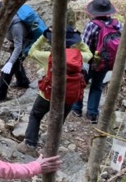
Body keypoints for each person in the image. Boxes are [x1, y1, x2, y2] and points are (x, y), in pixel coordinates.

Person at [17, 14, 92, 156]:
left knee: (35, 115)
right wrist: (79, 40)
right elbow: (90, 53)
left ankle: (29, 144)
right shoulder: (80, 57)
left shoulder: (49, 56)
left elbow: (31, 52)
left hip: (47, 95)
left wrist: (45, 36)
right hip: (69, 96)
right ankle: (50, 148)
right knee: (58, 121)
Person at [71, 0, 123, 124]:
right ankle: (92, 114)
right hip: (106, 62)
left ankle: (77, 108)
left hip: (90, 62)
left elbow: (85, 45)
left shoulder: (92, 26)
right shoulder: (117, 25)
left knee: (80, 83)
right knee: (97, 86)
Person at [0, 2, 42, 101]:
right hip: (19, 42)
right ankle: (22, 81)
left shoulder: (16, 26)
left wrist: (10, 62)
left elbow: (18, 47)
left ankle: (0, 96)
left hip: (26, 44)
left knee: (7, 71)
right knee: (16, 63)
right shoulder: (7, 22)